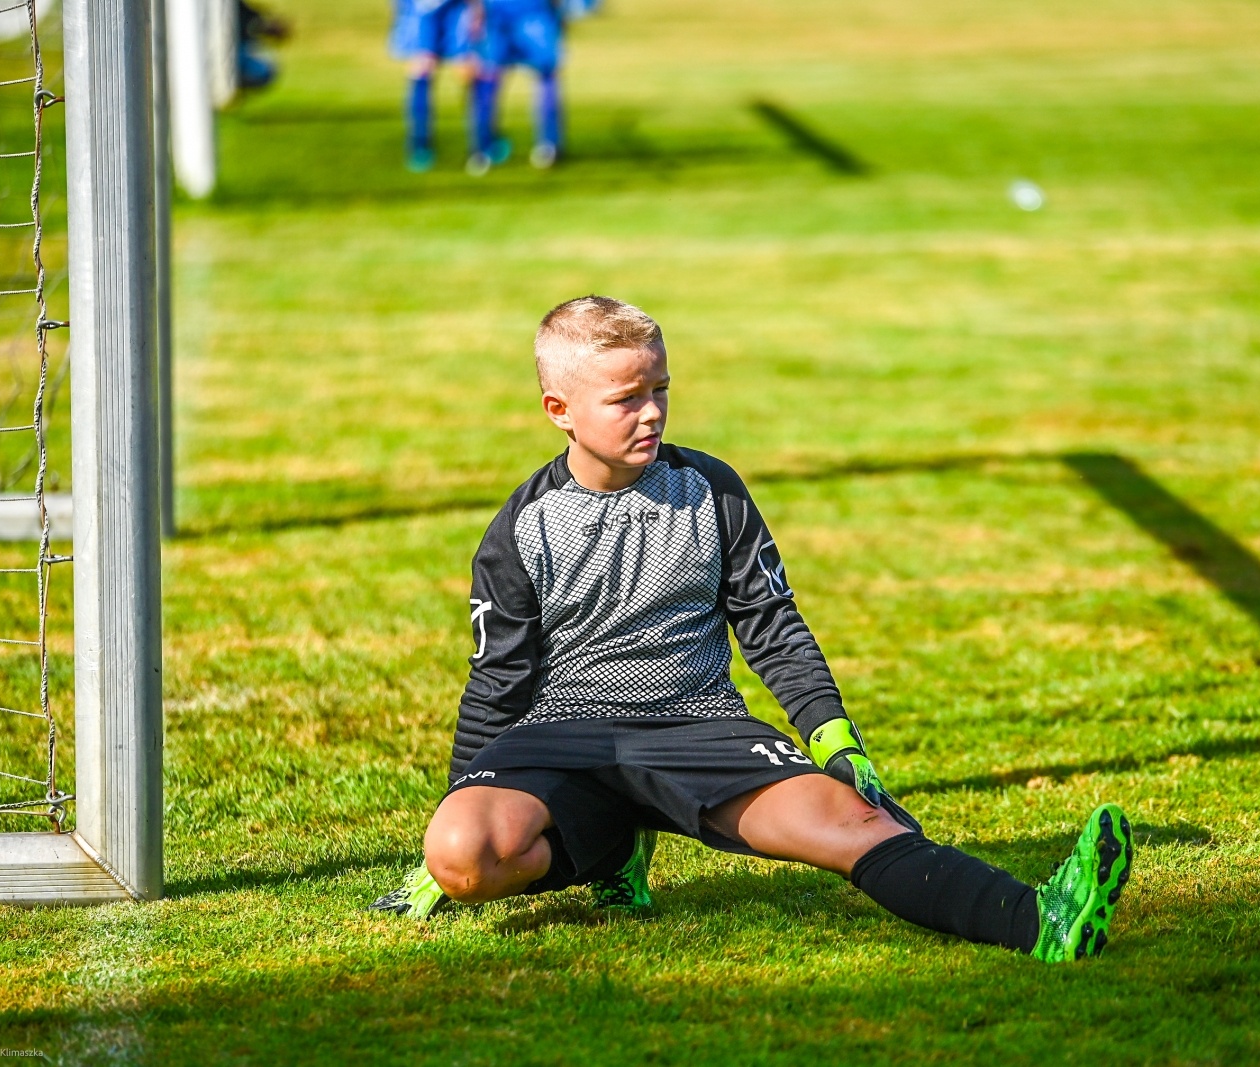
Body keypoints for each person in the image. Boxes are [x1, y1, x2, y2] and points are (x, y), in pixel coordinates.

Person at [371, 296, 1134, 962]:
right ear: (558, 410)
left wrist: (835, 740)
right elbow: (497, 678)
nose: (653, 412)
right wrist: (458, 799)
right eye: (626, 398)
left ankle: (1040, 917)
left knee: (848, 821)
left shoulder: (710, 490)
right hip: (564, 734)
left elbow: (772, 625)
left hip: (696, 727)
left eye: (661, 389)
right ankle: (610, 849)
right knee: (464, 855)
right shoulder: (521, 528)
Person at [467, 0, 565, 171]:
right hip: (507, 13)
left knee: (544, 73)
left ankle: (483, 149)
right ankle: (483, 146)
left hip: (523, 11)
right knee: (489, 76)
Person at [389, 0, 486, 172]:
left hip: (456, 7)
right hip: (422, 9)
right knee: (422, 67)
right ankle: (420, 145)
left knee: (467, 69)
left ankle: (481, 143)